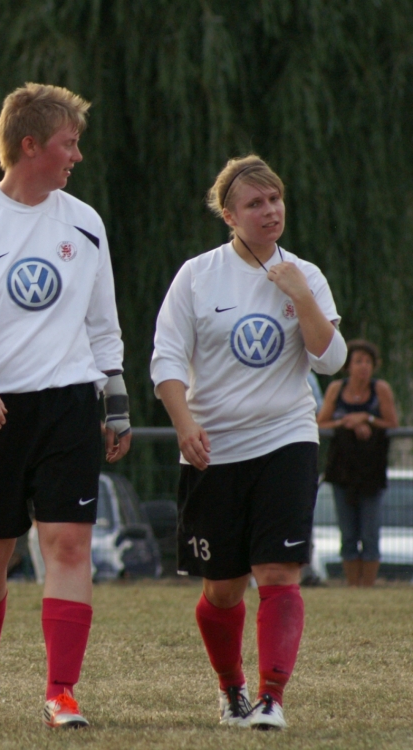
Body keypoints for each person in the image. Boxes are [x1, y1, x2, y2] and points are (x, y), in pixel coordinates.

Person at [0, 83, 132, 730]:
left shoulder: (85, 223)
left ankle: (62, 691)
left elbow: (103, 325)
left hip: (68, 405)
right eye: (69, 144)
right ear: (30, 144)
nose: (77, 156)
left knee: (69, 545)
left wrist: (116, 404)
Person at [151, 154, 347, 730]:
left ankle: (271, 698)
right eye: (255, 203)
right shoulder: (197, 276)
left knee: (279, 572)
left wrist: (301, 296)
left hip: (287, 437)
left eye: (275, 199)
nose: (270, 211)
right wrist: (184, 424)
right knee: (222, 589)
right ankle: (231, 687)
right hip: (216, 449)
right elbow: (166, 360)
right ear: (230, 216)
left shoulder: (305, 274)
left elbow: (331, 360)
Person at [317, 340, 398, 587]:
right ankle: (353, 585)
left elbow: (392, 423)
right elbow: (321, 423)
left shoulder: (380, 389)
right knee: (348, 531)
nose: (363, 366)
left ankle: (368, 586)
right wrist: (346, 422)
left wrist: (367, 418)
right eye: (358, 361)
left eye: (368, 362)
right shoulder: (336, 389)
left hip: (371, 470)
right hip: (342, 469)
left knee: (370, 531)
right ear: (348, 365)